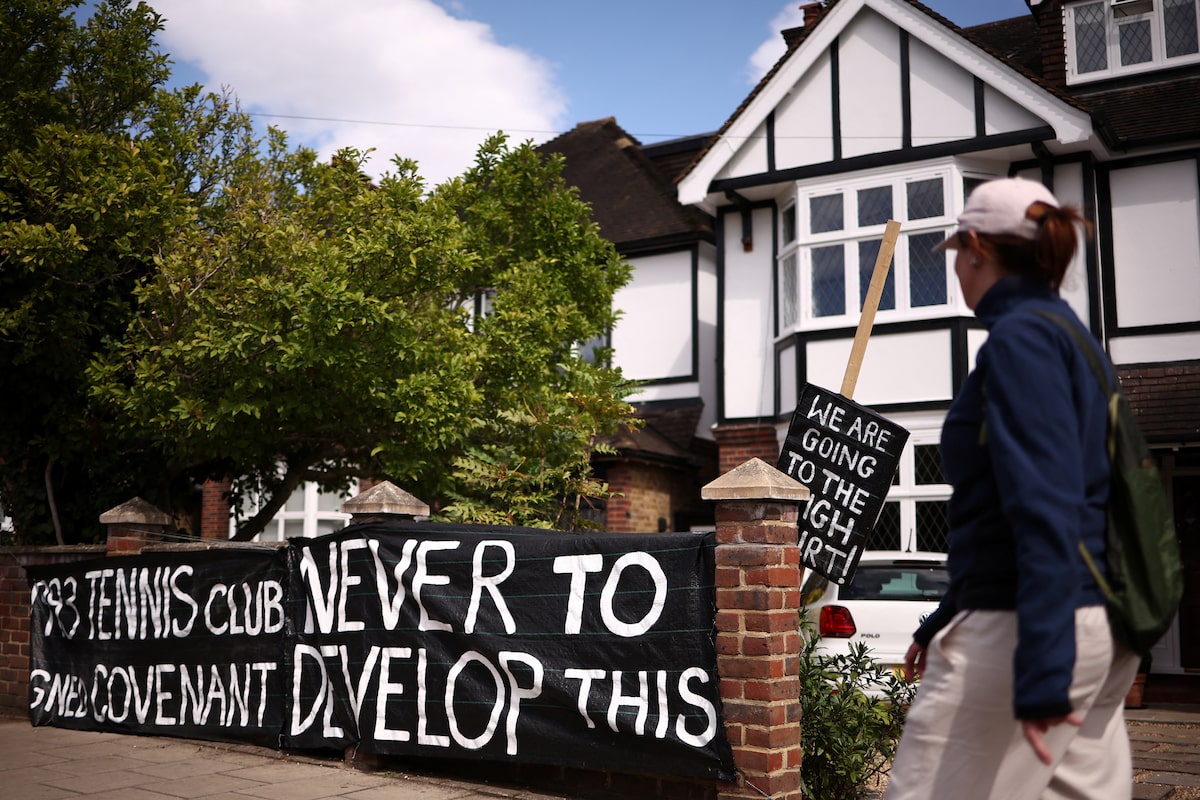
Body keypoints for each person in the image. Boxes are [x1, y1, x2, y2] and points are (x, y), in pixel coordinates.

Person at [884, 177, 1140, 799]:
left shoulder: (1021, 341)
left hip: (1024, 629)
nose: (957, 272)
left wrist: (1045, 667)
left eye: (955, 257)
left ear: (974, 247)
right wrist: (943, 617)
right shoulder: (1074, 339)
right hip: (1094, 622)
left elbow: (1045, 504)